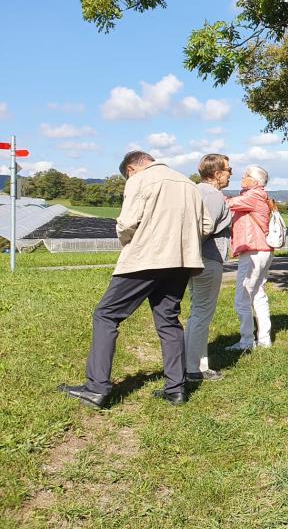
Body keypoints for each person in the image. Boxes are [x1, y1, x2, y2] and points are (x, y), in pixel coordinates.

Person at [58, 151, 211, 408]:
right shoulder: (189, 184)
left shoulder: (140, 180)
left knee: (106, 315)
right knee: (168, 320)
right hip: (182, 261)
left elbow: (126, 223)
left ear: (131, 168)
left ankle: (96, 388)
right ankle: (176, 388)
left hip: (146, 258)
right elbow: (206, 225)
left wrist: (133, 242)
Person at [184, 153, 233, 383]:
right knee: (202, 314)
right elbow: (204, 228)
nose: (230, 174)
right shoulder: (212, 195)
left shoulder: (192, 190)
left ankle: (191, 362)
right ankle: (194, 368)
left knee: (196, 312)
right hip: (207, 258)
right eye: (228, 170)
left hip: (193, 260)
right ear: (216, 174)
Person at [225, 165, 276, 351]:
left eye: (246, 175)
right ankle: (264, 339)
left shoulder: (253, 196)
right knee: (258, 294)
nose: (242, 177)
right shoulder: (260, 195)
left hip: (253, 250)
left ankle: (246, 340)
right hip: (263, 249)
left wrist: (214, 194)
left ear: (254, 181)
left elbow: (228, 204)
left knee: (243, 296)